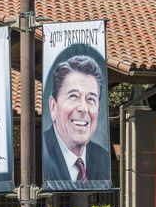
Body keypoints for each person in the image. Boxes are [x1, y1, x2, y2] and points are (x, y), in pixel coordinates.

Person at [43, 55, 110, 187]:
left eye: (91, 99)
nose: (83, 108)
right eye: (73, 96)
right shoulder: (39, 154)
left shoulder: (103, 159)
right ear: (53, 107)